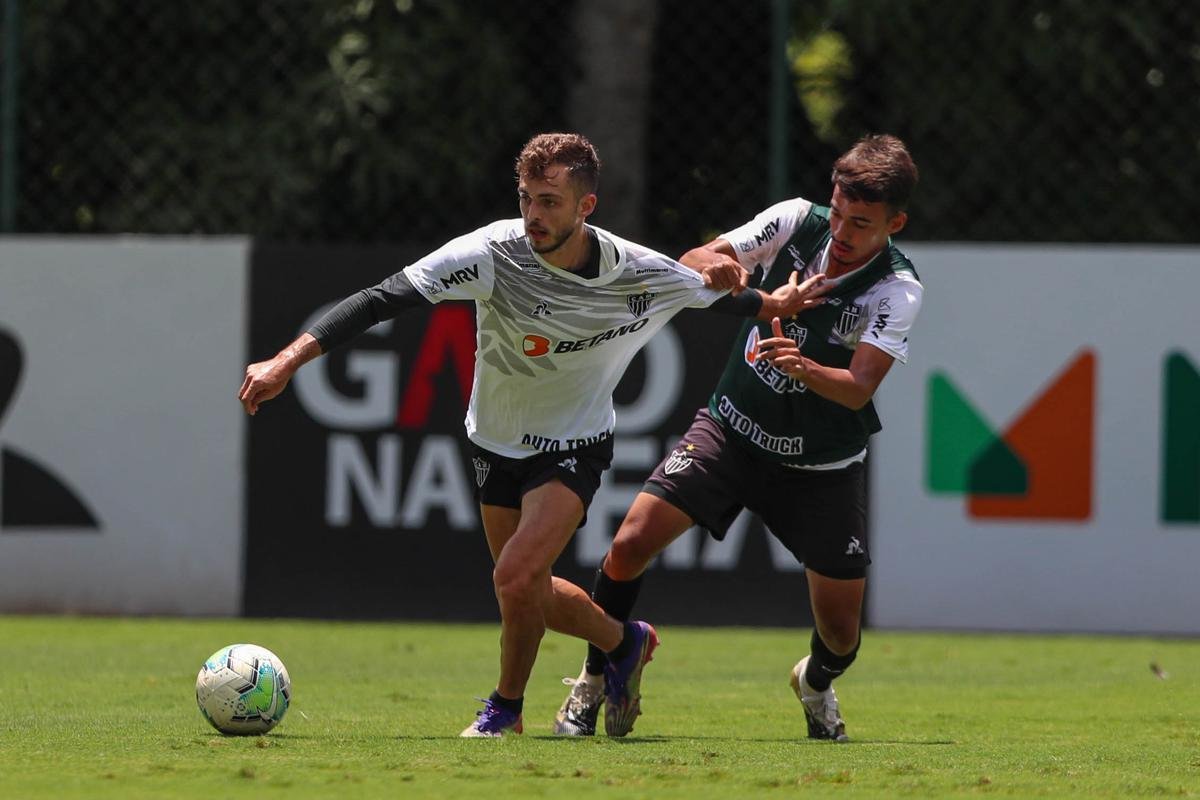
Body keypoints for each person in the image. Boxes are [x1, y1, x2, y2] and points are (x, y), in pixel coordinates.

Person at [238, 132, 826, 737]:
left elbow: (728, 299)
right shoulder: (491, 252)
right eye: (526, 199)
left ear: (584, 206)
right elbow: (379, 299)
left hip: (575, 447)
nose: (534, 216)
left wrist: (775, 301)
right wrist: (286, 362)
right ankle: (624, 642)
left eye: (549, 201)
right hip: (492, 442)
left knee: (514, 578)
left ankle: (505, 710)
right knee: (527, 592)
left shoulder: (636, 272)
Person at [554, 134, 921, 742]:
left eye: (863, 223)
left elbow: (859, 387)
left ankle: (815, 682)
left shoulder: (897, 288)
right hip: (733, 430)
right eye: (840, 213)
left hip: (821, 467)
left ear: (896, 222)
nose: (843, 233)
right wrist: (721, 270)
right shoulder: (796, 221)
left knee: (841, 635)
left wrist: (801, 366)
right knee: (628, 543)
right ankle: (597, 678)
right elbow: (696, 259)